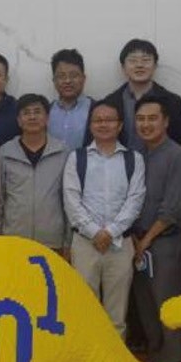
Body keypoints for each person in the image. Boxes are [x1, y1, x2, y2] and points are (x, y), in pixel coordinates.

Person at [63, 100, 146, 336]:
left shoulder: (133, 159)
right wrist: (94, 232)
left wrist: (110, 232)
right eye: (98, 120)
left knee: (117, 314)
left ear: (120, 125)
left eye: (109, 120)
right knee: (84, 310)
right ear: (90, 125)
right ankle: (86, 359)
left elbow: (135, 200)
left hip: (120, 244)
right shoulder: (77, 158)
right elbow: (71, 200)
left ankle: (114, 359)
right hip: (84, 243)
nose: (103, 124)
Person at [127, 98, 181, 362]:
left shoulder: (176, 155)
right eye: (140, 119)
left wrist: (146, 240)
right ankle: (155, 360)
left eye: (152, 118)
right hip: (137, 242)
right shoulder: (135, 154)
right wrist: (134, 237)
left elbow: (172, 208)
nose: (146, 124)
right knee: (145, 305)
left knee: (167, 304)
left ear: (165, 121)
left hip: (163, 242)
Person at [0, 94, 71, 255]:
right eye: (26, 113)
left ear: (47, 118)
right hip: (13, 239)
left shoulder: (63, 152)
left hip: (52, 240)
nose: (32, 117)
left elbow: (68, 200)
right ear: (18, 120)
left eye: (37, 112)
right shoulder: (5, 153)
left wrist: (67, 241)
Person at [97, 39, 181, 148]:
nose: (139, 65)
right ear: (123, 67)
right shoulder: (109, 102)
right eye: (133, 60)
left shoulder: (173, 102)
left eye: (146, 60)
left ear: (155, 66)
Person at [47, 48, 92, 151]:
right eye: (61, 76)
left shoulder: (96, 110)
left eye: (74, 75)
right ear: (54, 81)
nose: (67, 81)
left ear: (84, 78)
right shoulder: (45, 112)